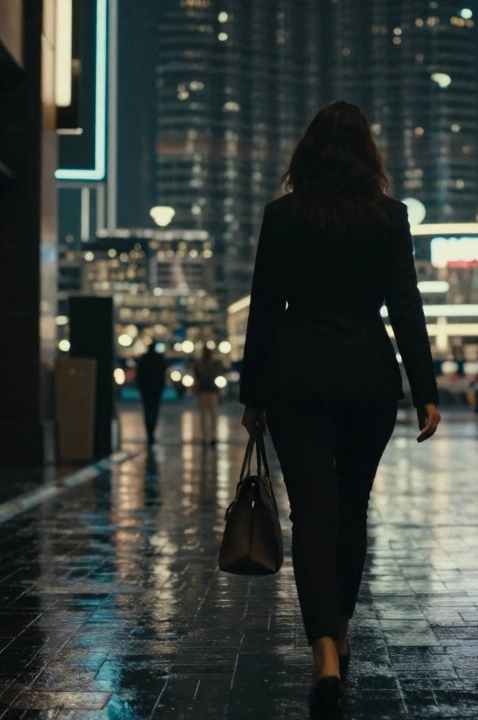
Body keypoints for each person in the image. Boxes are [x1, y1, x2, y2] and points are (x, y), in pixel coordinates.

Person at [238, 101, 441, 713]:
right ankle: (342, 627)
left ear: (307, 154)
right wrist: (426, 390)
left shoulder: (282, 216)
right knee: (353, 508)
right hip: (366, 379)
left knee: (312, 514)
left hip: (295, 378)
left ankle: (324, 650)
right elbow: (405, 304)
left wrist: (253, 394)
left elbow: (264, 308)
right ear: (367, 155)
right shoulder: (389, 217)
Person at [135, 343, 168, 445]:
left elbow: (139, 374)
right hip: (156, 389)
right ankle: (152, 432)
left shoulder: (143, 359)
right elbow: (163, 373)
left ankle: (149, 432)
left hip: (146, 389)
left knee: (147, 410)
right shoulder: (159, 359)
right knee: (154, 410)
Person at [192, 345, 223, 445]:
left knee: (204, 415)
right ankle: (212, 436)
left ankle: (205, 436)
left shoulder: (199, 364)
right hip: (212, 391)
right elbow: (217, 376)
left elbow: (197, 378)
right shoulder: (215, 364)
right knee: (212, 414)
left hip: (203, 391)